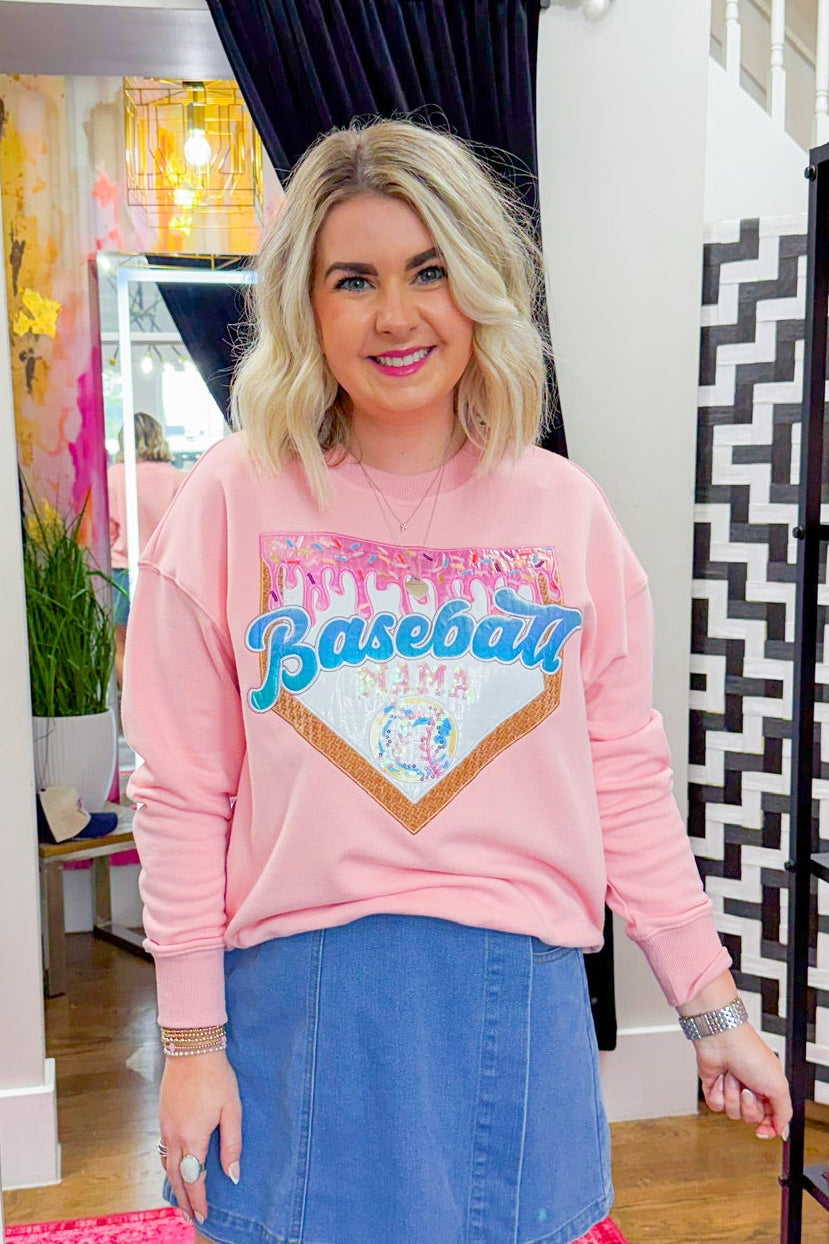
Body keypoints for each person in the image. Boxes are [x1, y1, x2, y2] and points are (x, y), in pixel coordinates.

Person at [121, 119, 792, 1244]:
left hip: (515, 1006)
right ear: (305, 306)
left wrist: (709, 1003)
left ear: (480, 286)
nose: (396, 314)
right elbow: (185, 793)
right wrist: (190, 1042)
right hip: (302, 1001)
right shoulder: (230, 499)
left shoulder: (563, 511)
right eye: (354, 279)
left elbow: (622, 780)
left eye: (429, 270)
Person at [107, 412, 184, 685]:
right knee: (165, 645)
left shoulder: (114, 476)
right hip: (165, 574)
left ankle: (132, 703)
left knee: (122, 645)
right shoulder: (177, 477)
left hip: (122, 572)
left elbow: (108, 530)